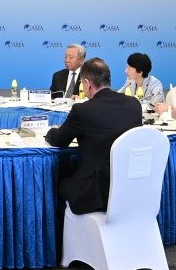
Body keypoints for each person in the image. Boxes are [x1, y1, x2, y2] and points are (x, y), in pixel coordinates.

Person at [44, 58, 143, 219]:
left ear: (87, 84)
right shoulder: (134, 104)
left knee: (57, 182)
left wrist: (51, 131)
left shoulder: (82, 110)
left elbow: (59, 141)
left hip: (94, 193)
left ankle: (61, 234)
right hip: (130, 188)